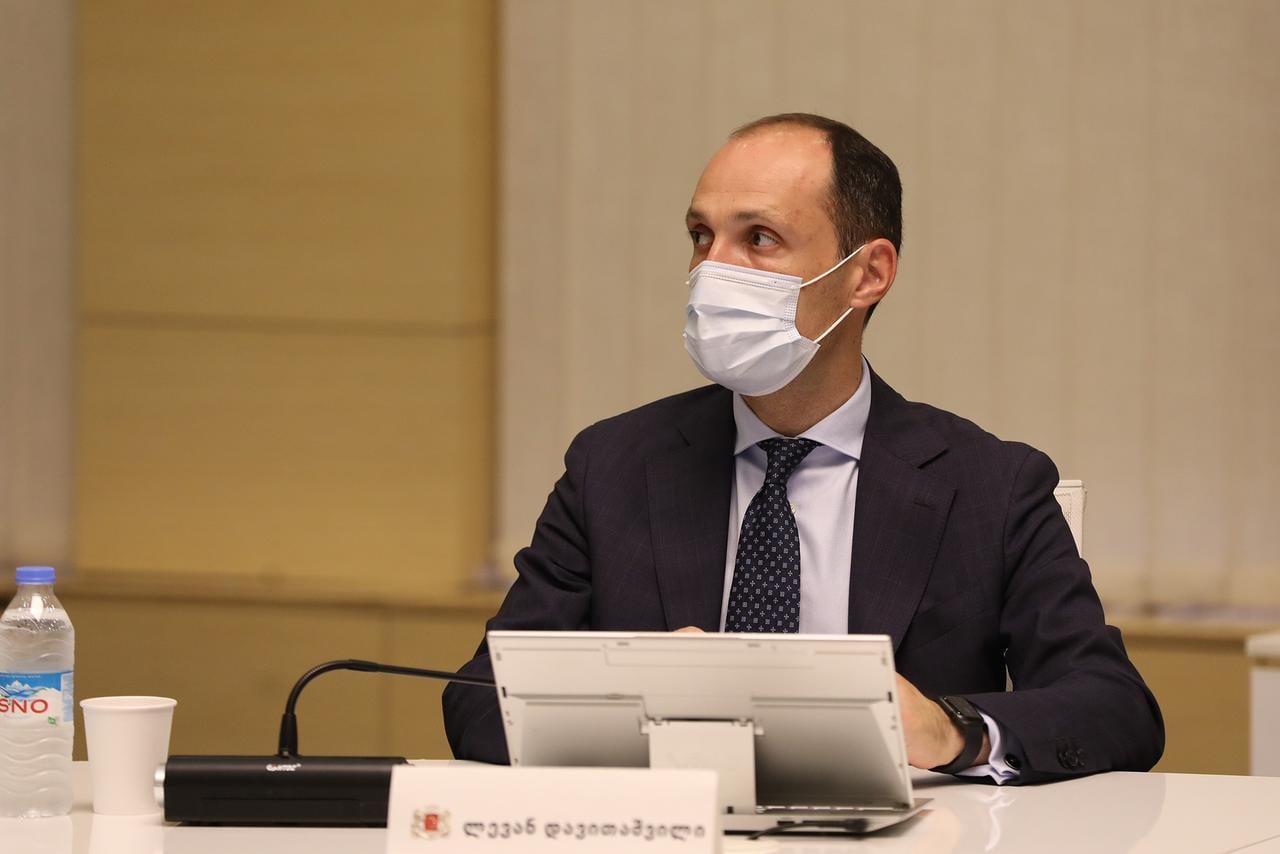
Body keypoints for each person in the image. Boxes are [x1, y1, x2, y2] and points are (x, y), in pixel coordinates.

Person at [443, 112, 1163, 783]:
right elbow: (478, 700)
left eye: (758, 238)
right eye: (701, 235)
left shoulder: (991, 485)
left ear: (867, 273)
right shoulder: (614, 467)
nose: (711, 270)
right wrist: (629, 701)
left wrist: (949, 730)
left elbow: (1116, 708)